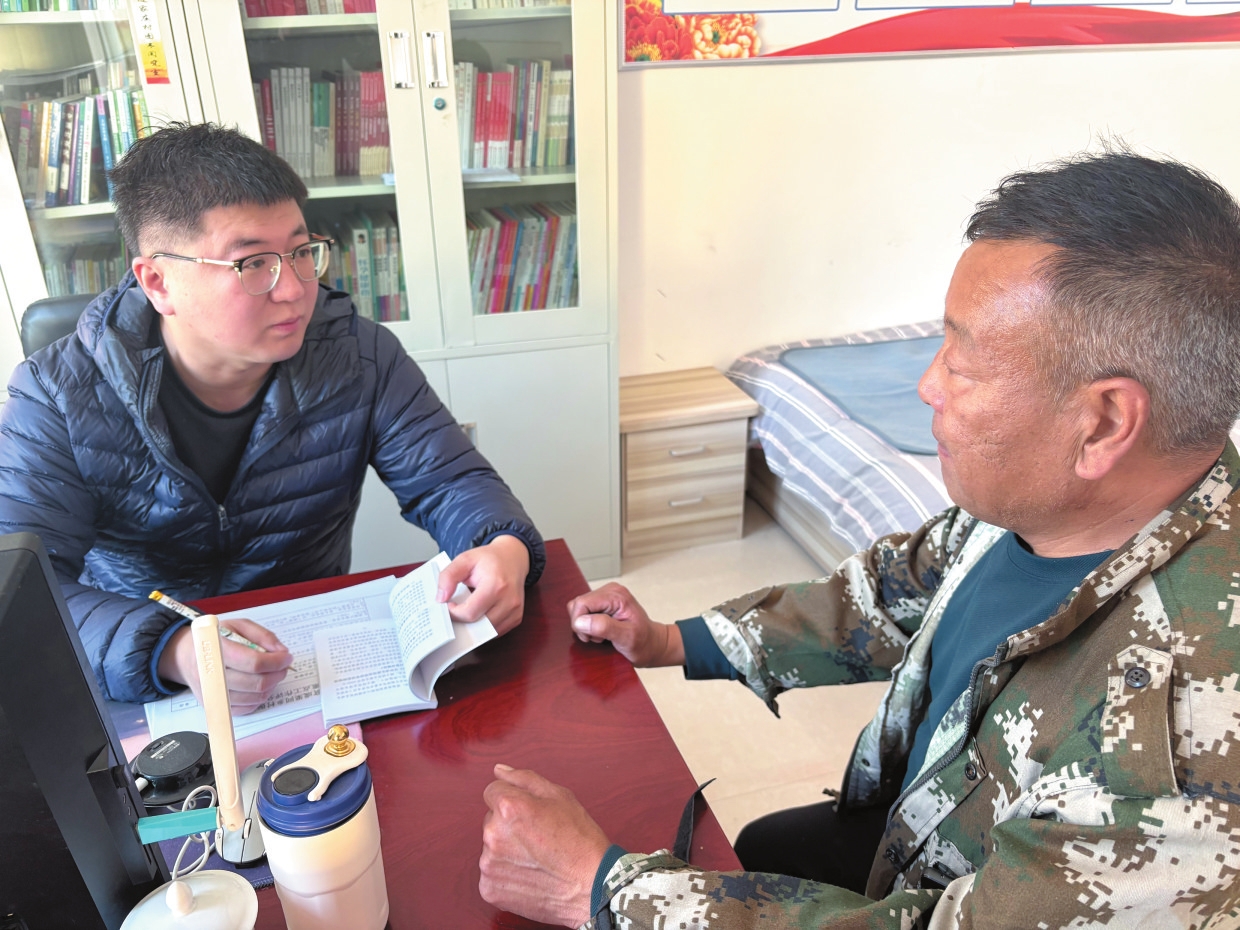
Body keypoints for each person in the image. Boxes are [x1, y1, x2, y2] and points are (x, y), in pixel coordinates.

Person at [477, 147, 1240, 928]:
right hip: (920, 824)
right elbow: (895, 590)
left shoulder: (1182, 748)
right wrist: (674, 640)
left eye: (964, 364)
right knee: (762, 844)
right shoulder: (1045, 503)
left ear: (1103, 423)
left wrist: (600, 891)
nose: (928, 385)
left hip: (963, 895)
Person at [0, 122, 545, 712]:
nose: (295, 290)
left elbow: (450, 481)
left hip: (320, 657)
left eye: (302, 252)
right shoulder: (55, 394)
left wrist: (503, 547)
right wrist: (172, 650)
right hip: (148, 674)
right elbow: (22, 590)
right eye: (253, 263)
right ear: (157, 281)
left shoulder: (360, 356)